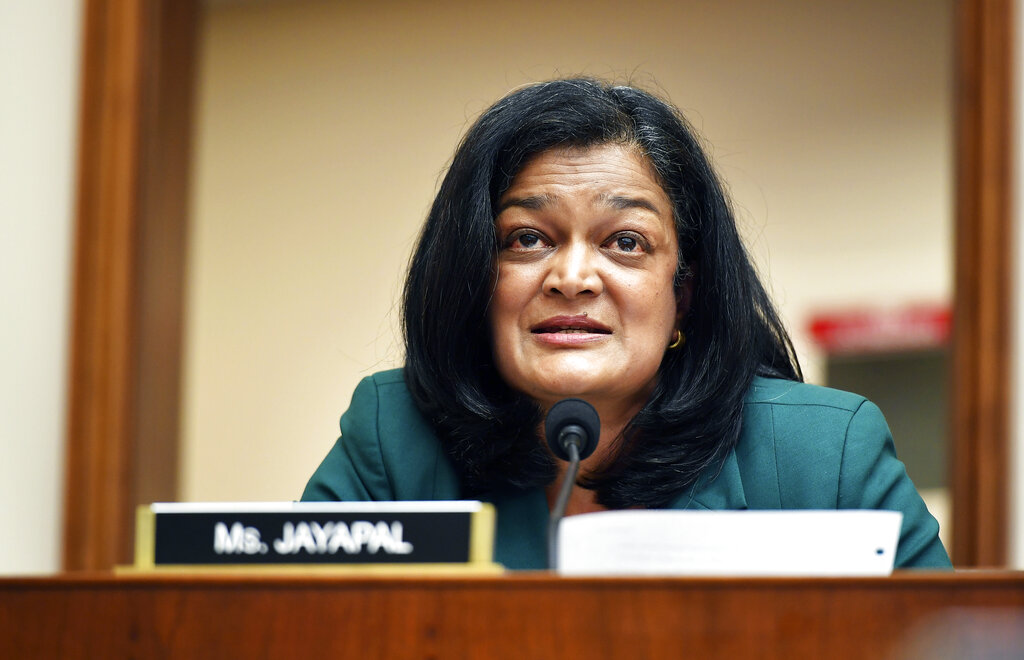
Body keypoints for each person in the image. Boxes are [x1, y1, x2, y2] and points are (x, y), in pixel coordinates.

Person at [302, 78, 951, 569]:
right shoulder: (392, 440)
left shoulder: (824, 456)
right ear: (474, 275)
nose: (573, 277)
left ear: (685, 292)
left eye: (626, 242)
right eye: (528, 238)